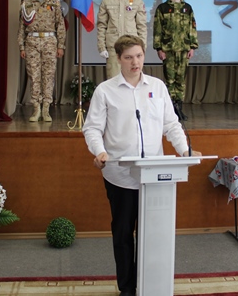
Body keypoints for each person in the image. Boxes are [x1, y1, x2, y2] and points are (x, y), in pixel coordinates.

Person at [82, 34, 202, 296]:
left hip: (155, 177)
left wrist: (184, 150)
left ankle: (150, 285)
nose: (135, 62)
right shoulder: (106, 91)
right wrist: (99, 151)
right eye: (128, 57)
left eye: (138, 56)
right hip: (120, 176)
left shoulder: (157, 87)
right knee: (123, 235)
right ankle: (127, 288)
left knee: (152, 235)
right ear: (118, 59)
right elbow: (92, 128)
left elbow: (171, 124)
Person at [17, 0, 66, 122]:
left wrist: (61, 45)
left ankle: (46, 108)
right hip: (32, 41)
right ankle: (36, 108)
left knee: (49, 75)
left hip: (49, 41)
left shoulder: (54, 3)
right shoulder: (26, 3)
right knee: (34, 75)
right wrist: (21, 46)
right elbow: (21, 27)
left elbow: (60, 25)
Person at [153, 0, 198, 121]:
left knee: (181, 81)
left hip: (184, 50)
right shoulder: (162, 8)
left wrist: (192, 46)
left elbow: (192, 28)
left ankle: (179, 109)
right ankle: (170, 110)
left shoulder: (188, 8)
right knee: (170, 81)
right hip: (169, 50)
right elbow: (157, 29)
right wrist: (159, 48)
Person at [97, 0, 147, 79]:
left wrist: (143, 47)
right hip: (113, 47)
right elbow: (101, 26)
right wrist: (102, 47)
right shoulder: (106, 1)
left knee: (133, 78)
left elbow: (142, 26)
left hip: (132, 47)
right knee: (114, 79)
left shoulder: (137, 1)